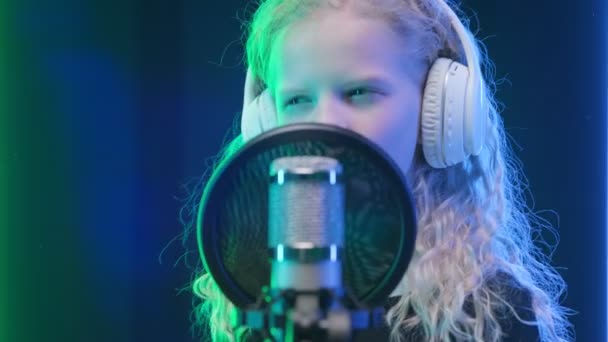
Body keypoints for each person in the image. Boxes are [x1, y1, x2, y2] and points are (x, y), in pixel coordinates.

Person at [182, 0, 574, 340]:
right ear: (265, 123)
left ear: (437, 110)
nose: (325, 125)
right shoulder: (256, 301)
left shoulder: (494, 313)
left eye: (359, 93)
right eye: (298, 100)